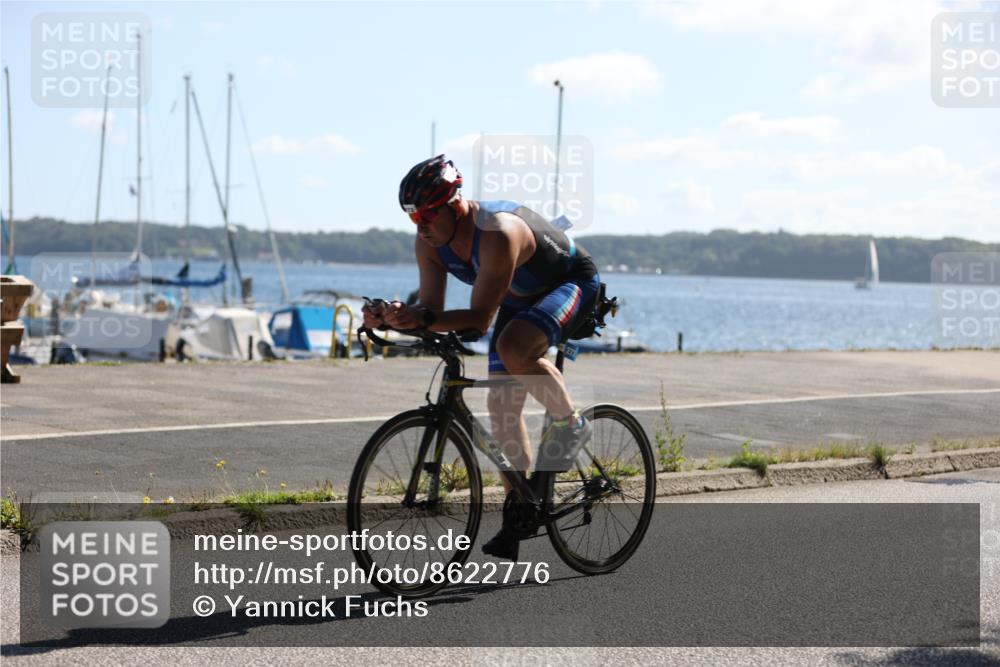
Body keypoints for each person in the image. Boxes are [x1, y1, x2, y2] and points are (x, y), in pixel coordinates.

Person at [362, 154, 601, 560]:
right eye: (413, 217)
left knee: (514, 349)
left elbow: (478, 319)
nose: (420, 226)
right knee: (502, 408)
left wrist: (421, 318)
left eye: (427, 215)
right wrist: (392, 317)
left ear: (455, 205)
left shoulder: (497, 232)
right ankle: (520, 510)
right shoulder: (428, 243)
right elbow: (431, 310)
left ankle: (571, 424)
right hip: (517, 296)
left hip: (570, 283)